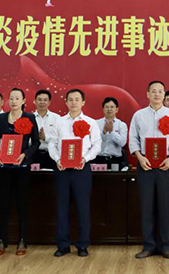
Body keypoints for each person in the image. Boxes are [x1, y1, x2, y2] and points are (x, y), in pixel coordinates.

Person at [129, 80, 169, 259]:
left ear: (164, 95)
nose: (157, 94)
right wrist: (139, 157)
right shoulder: (139, 115)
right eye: (154, 91)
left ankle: (166, 246)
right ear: (147, 94)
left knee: (165, 206)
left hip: (165, 164)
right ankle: (149, 245)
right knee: (147, 207)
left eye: (160, 91)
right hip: (145, 163)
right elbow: (133, 139)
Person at [48, 89, 102, 257]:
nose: (73, 102)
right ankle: (63, 245)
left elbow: (97, 145)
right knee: (61, 207)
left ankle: (83, 244)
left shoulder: (90, 122)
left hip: (81, 169)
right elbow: (52, 143)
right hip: (62, 169)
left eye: (77, 99)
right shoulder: (59, 122)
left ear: (83, 102)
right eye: (70, 99)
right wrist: (58, 159)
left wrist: (85, 158)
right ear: (66, 102)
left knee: (83, 207)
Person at [0, 88, 40, 256]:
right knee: (3, 204)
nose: (13, 101)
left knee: (22, 204)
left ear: (23, 101)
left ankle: (22, 240)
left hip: (22, 168)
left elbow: (36, 142)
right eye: (11, 98)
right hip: (4, 168)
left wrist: (25, 155)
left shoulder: (29, 117)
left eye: (17, 98)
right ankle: (2, 240)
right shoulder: (2, 118)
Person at [94, 97, 128, 168]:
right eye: (107, 107)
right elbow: (94, 141)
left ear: (117, 109)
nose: (109, 109)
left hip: (115, 160)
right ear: (103, 109)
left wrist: (111, 132)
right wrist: (103, 132)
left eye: (112, 107)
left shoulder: (122, 125)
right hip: (98, 159)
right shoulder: (96, 123)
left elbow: (122, 143)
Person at [33, 89, 60, 170]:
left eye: (45, 100)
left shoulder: (56, 118)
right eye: (39, 100)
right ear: (35, 101)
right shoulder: (29, 118)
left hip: (51, 154)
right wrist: (35, 137)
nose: (42, 102)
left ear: (49, 102)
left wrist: (46, 138)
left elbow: (60, 138)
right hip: (34, 154)